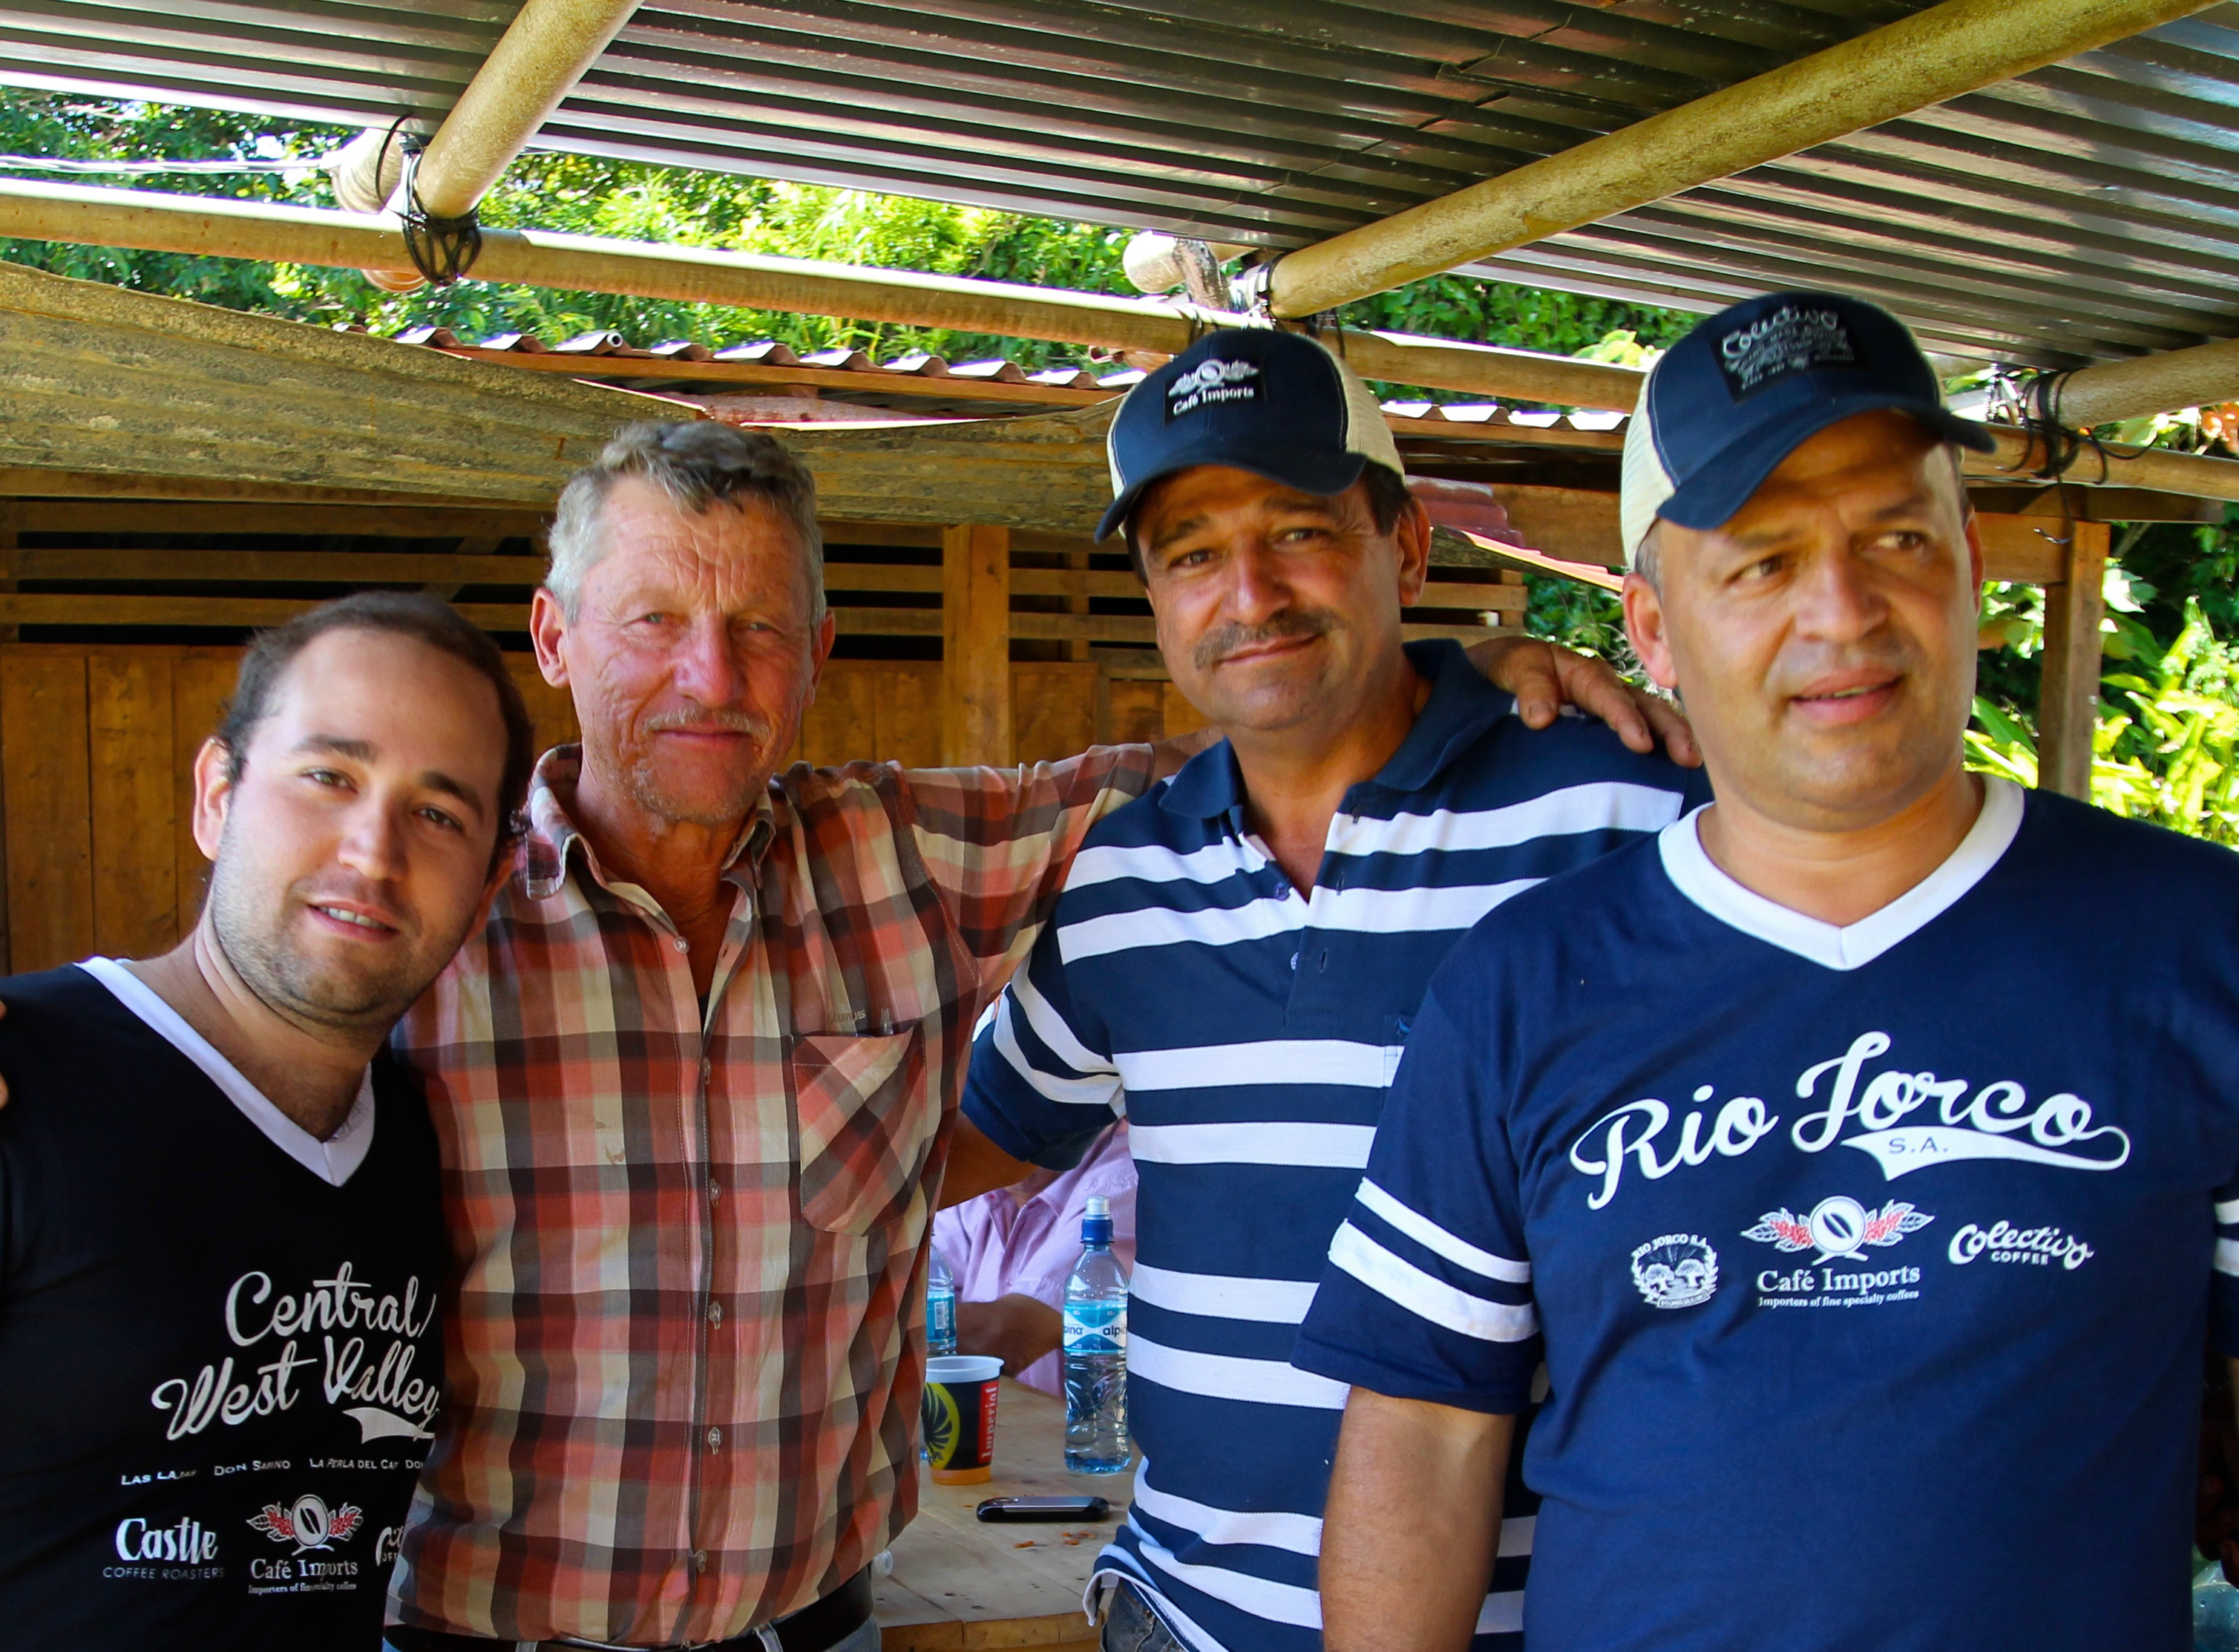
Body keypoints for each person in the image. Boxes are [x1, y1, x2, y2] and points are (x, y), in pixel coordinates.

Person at [212, 420, 1667, 1652]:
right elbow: (214, 1106)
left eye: (759, 628)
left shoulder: (903, 859)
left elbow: (1257, 739)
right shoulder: (428, 911)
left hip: (817, 1626)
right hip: (482, 1632)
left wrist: (1464, 678)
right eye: (652, 621)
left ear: (818, 652)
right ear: (554, 636)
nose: (710, 677)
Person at [1294, 291, 2239, 1652]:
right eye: (1761, 563)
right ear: (1653, 629)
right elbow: (1420, 1427)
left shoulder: (2206, 941)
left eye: (1895, 538)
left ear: (1969, 564)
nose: (1841, 612)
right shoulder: (1524, 983)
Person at [941, 327, 1709, 1652]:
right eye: (1191, 554)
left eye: (1297, 531)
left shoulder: (1621, 814)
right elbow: (970, 1138)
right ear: (1153, 596)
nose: (1248, 592)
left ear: (1404, 547)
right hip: (1182, 1616)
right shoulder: (1124, 876)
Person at [0, 593, 532, 1651]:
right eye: (329, 775)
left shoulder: (423, 1137)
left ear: (486, 887)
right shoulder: (23, 1084)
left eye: (438, 813)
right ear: (217, 794)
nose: (372, 852)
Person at [934, 1122, 1137, 1394]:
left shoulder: (1126, 1176)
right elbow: (926, 1296)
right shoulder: (981, 1180)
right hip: (1014, 1418)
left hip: (1097, 1421)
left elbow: (1002, 1336)